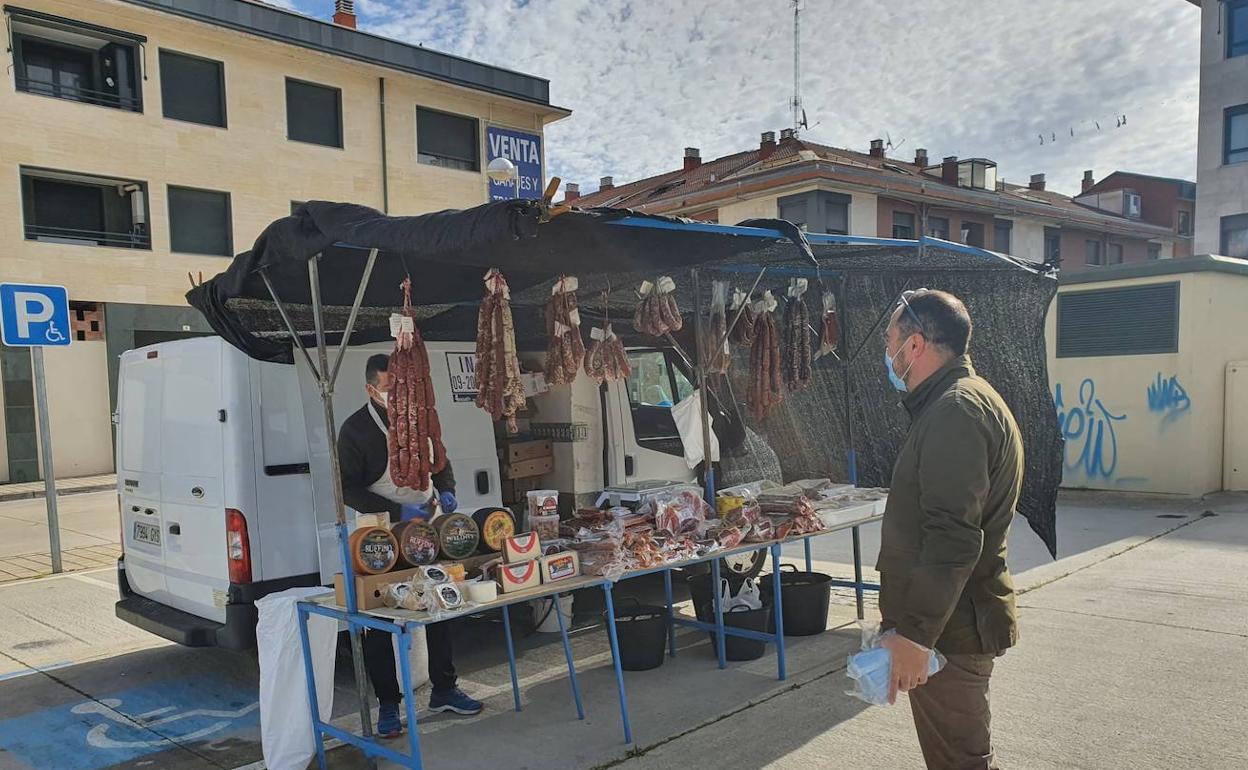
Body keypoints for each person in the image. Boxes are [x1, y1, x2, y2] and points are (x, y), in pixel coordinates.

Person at [876, 289, 1022, 770]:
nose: (886, 350)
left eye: (890, 339)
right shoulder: (956, 403)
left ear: (914, 345)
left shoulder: (955, 411)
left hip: (951, 632)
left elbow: (953, 537)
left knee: (960, 762)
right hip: (951, 623)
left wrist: (916, 637)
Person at [338, 354, 483, 737]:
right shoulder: (355, 430)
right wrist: (395, 506)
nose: (397, 396)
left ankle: (446, 688)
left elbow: (441, 463)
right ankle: (388, 704)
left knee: (440, 602)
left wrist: (447, 491)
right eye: (389, 389)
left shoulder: (420, 420)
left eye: (400, 388)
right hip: (379, 531)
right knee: (382, 617)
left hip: (426, 523)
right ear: (372, 389)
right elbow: (346, 487)